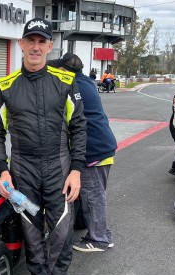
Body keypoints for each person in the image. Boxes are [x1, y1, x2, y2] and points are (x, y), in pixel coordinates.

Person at [0, 18, 86, 275]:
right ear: (20, 44)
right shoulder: (5, 87)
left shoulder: (65, 81)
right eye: (30, 40)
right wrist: (3, 170)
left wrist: (77, 170)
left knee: (60, 229)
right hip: (22, 170)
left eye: (41, 41)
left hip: (59, 167)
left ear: (49, 46)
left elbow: (80, 128)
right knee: (30, 227)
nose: (35, 46)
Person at [47, 53, 117, 253]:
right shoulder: (85, 81)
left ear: (63, 70)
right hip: (102, 145)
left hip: (93, 150)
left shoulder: (71, 86)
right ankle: (88, 227)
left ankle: (100, 239)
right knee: (88, 194)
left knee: (93, 195)